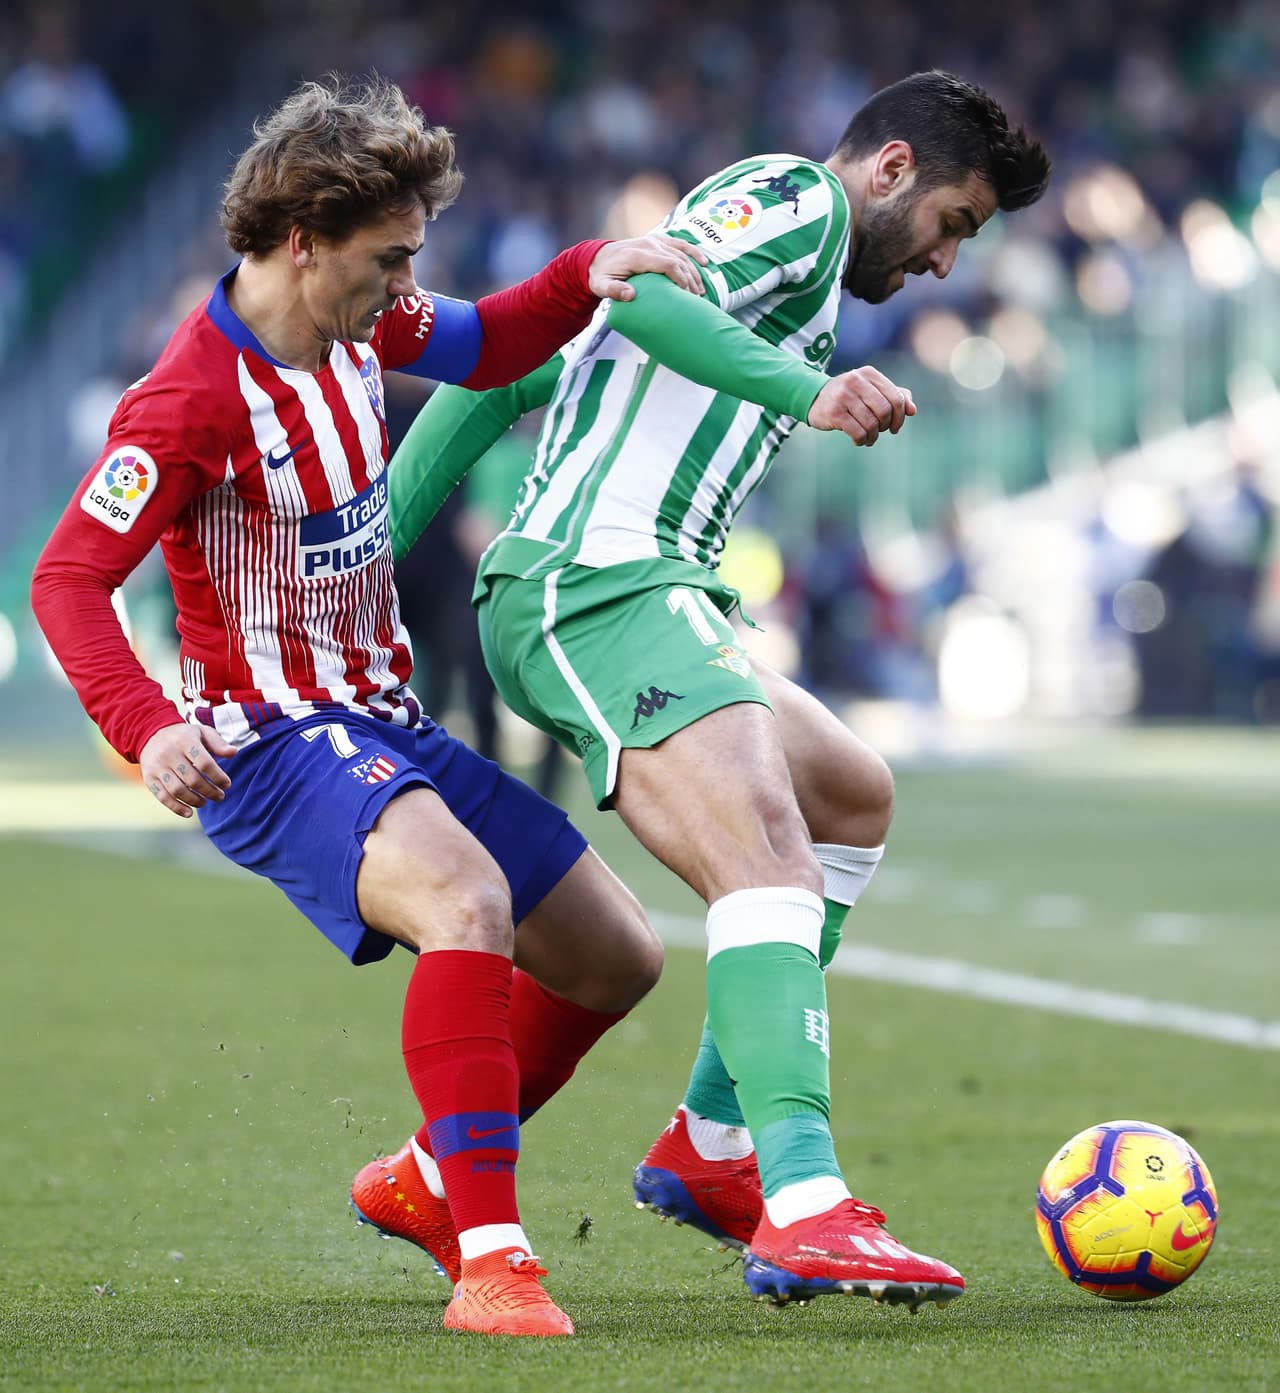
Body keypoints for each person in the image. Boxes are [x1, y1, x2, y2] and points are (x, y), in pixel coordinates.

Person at [29, 74, 711, 1339]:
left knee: (618, 956)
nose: (407, 287)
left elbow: (493, 340)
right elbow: (67, 577)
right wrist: (144, 722)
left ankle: (422, 1179)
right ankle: (493, 1261)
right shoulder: (187, 400)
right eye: (388, 260)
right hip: (274, 744)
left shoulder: (364, 329)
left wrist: (591, 267)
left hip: (382, 718)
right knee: (467, 904)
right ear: (303, 241)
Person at [385, 70, 1050, 1311]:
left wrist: (367, 555)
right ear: (893, 169)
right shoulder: (790, 201)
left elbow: (519, 377)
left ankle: (709, 1145)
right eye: (955, 222)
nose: (947, 263)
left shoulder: (778, 280)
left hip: (654, 591)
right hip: (598, 583)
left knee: (850, 796)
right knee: (765, 860)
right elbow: (632, 292)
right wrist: (811, 391)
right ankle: (805, 1205)